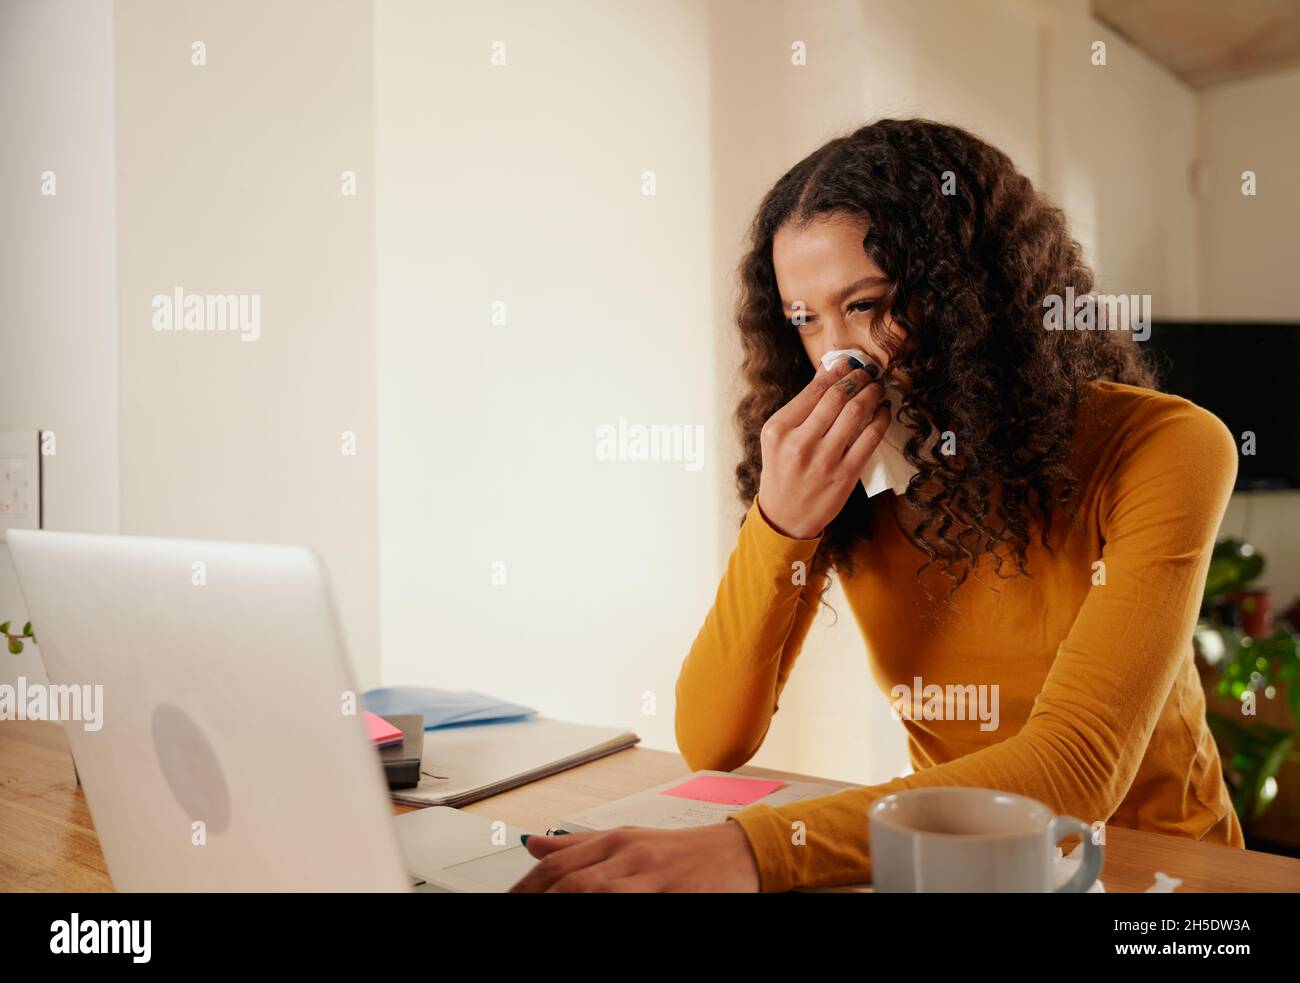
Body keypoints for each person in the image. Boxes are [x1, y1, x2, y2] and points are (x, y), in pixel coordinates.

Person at [509, 118, 1241, 893]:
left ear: (974, 295)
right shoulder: (858, 476)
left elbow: (1077, 765)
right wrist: (781, 521)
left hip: (1163, 875)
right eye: (805, 320)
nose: (837, 358)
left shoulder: (1168, 446)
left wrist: (755, 850)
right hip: (957, 866)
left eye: (867, 304)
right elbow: (711, 739)